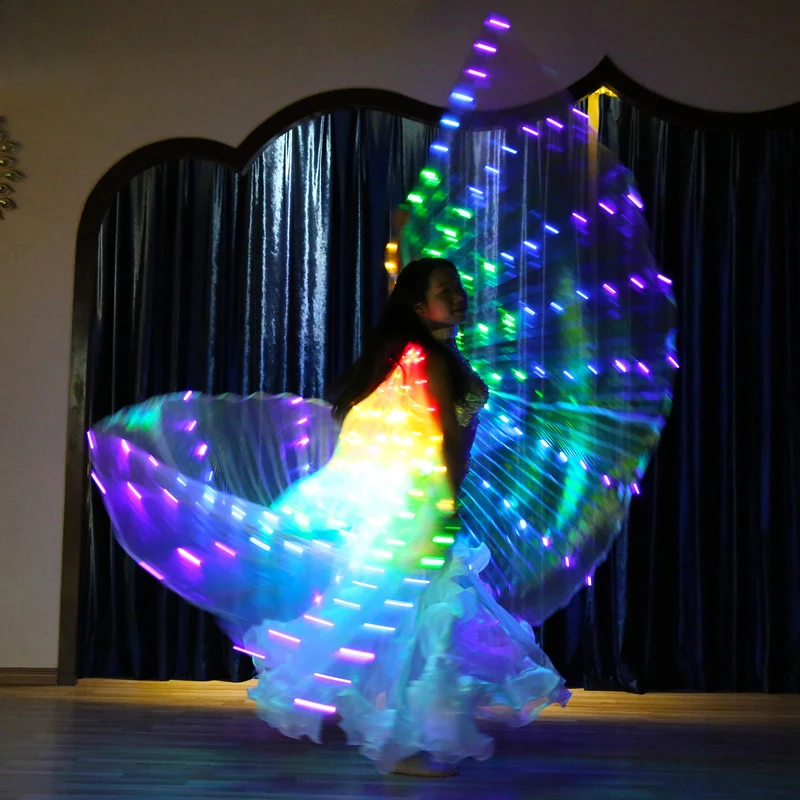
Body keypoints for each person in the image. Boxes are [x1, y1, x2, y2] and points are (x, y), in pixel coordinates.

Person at [240, 257, 570, 777]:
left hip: (420, 499)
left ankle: (407, 729)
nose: (458, 297)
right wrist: (444, 505)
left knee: (410, 617)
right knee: (415, 620)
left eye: (458, 288)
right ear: (419, 306)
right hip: (421, 504)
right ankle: (402, 746)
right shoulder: (428, 360)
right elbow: (441, 441)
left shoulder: (433, 354)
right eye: (445, 291)